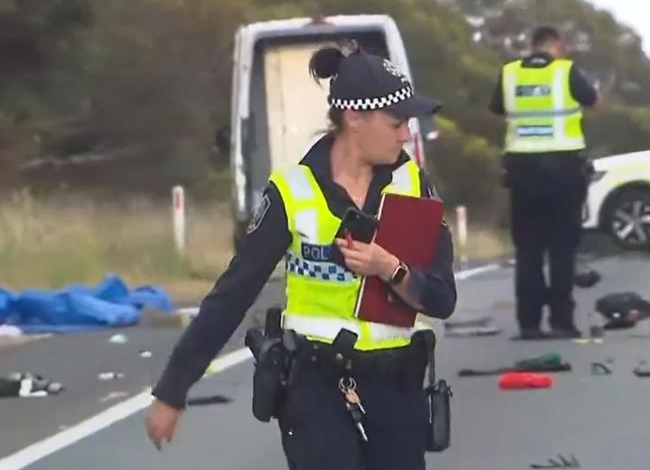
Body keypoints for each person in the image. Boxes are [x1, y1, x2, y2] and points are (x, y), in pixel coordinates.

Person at [146, 45, 457, 470]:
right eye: (397, 122)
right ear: (353, 119)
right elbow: (233, 295)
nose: (406, 135)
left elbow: (441, 299)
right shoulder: (292, 191)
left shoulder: (414, 185)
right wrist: (173, 389)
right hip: (316, 388)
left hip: (396, 388)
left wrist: (390, 270)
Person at [489, 26, 600, 339]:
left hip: (523, 171)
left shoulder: (510, 74)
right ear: (557, 45)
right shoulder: (565, 71)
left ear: (532, 45)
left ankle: (529, 324)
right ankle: (562, 322)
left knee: (528, 251)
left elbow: (497, 111)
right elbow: (593, 102)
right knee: (563, 249)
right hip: (564, 170)